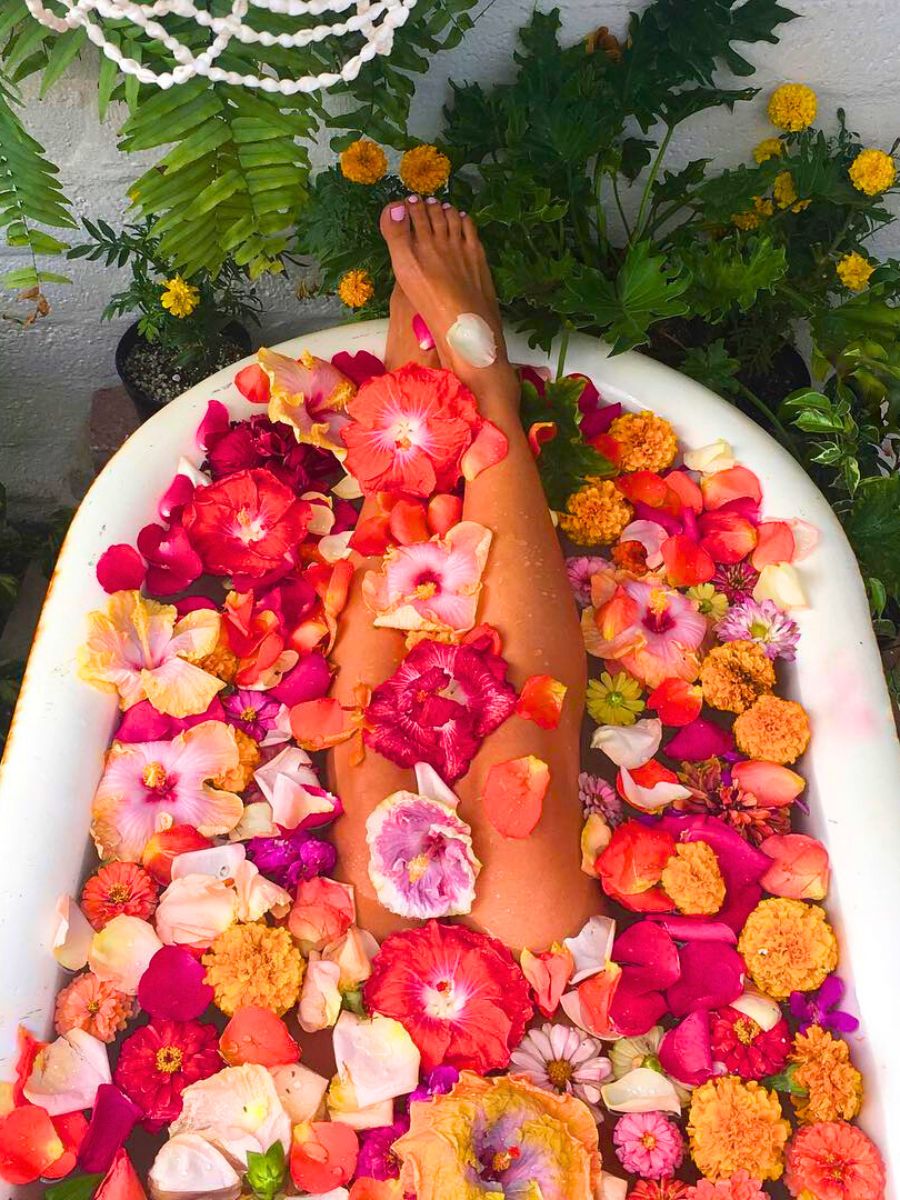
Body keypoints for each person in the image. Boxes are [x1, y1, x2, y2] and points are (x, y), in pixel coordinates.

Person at [327, 195, 599, 951]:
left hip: (349, 1033)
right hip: (522, 1044)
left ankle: (404, 430)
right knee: (528, 793)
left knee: (370, 794)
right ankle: (484, 398)